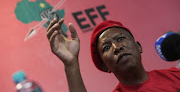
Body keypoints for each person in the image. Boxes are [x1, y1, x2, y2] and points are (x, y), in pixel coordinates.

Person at [46, 18, 180, 92]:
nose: (116, 47)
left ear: (138, 46)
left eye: (121, 39)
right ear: (105, 66)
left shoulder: (175, 76)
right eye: (106, 47)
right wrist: (71, 65)